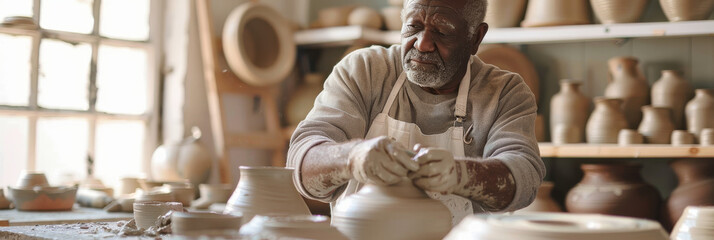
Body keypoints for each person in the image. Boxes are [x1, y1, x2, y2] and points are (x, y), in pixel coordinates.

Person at [287, 0, 544, 225]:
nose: (422, 44)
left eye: (442, 31)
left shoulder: (504, 91)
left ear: (475, 37)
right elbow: (301, 161)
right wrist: (352, 157)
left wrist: (462, 175)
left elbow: (525, 177)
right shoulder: (365, 71)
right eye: (413, 26)